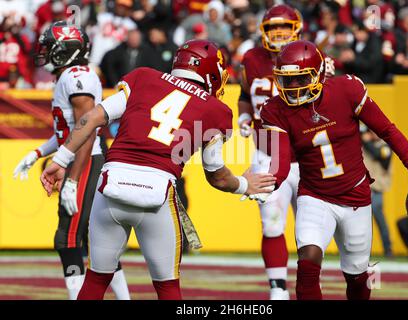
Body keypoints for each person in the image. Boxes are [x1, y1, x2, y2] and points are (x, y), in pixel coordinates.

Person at [40, 39, 276, 300]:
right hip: (158, 195)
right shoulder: (215, 109)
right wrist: (244, 184)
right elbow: (217, 176)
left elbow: (91, 118)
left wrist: (60, 160)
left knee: (95, 280)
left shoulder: (143, 78)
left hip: (111, 185)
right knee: (167, 288)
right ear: (209, 71)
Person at [260, 40, 408, 300]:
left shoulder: (347, 89)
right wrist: (263, 184)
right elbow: (279, 162)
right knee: (308, 264)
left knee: (357, 277)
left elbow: (387, 130)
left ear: (318, 74)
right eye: (286, 80)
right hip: (315, 195)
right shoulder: (275, 109)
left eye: (299, 79)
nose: (292, 87)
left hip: (355, 196)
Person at [13, 21, 130, 300]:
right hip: (83, 155)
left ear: (66, 50)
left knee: (67, 237)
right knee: (94, 240)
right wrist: (38, 153)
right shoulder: (67, 77)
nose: (45, 52)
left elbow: (87, 131)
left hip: (87, 157)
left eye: (51, 47)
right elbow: (69, 132)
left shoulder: (75, 76)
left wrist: (72, 180)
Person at [237, 4, 303, 300]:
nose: (278, 32)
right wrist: (243, 114)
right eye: (273, 27)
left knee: (311, 229)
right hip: (267, 153)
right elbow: (243, 93)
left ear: (296, 29)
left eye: (285, 27)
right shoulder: (251, 58)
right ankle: (278, 291)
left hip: (305, 156)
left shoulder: (309, 55)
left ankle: (309, 285)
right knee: (272, 224)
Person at [361, 127, 393, 257]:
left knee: (379, 219)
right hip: (364, 187)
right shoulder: (363, 145)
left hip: (376, 188)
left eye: (374, 131)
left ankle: (388, 248)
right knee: (361, 220)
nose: (372, 133)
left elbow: (378, 154)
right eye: (370, 131)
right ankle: (360, 250)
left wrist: (365, 140)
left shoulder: (385, 146)